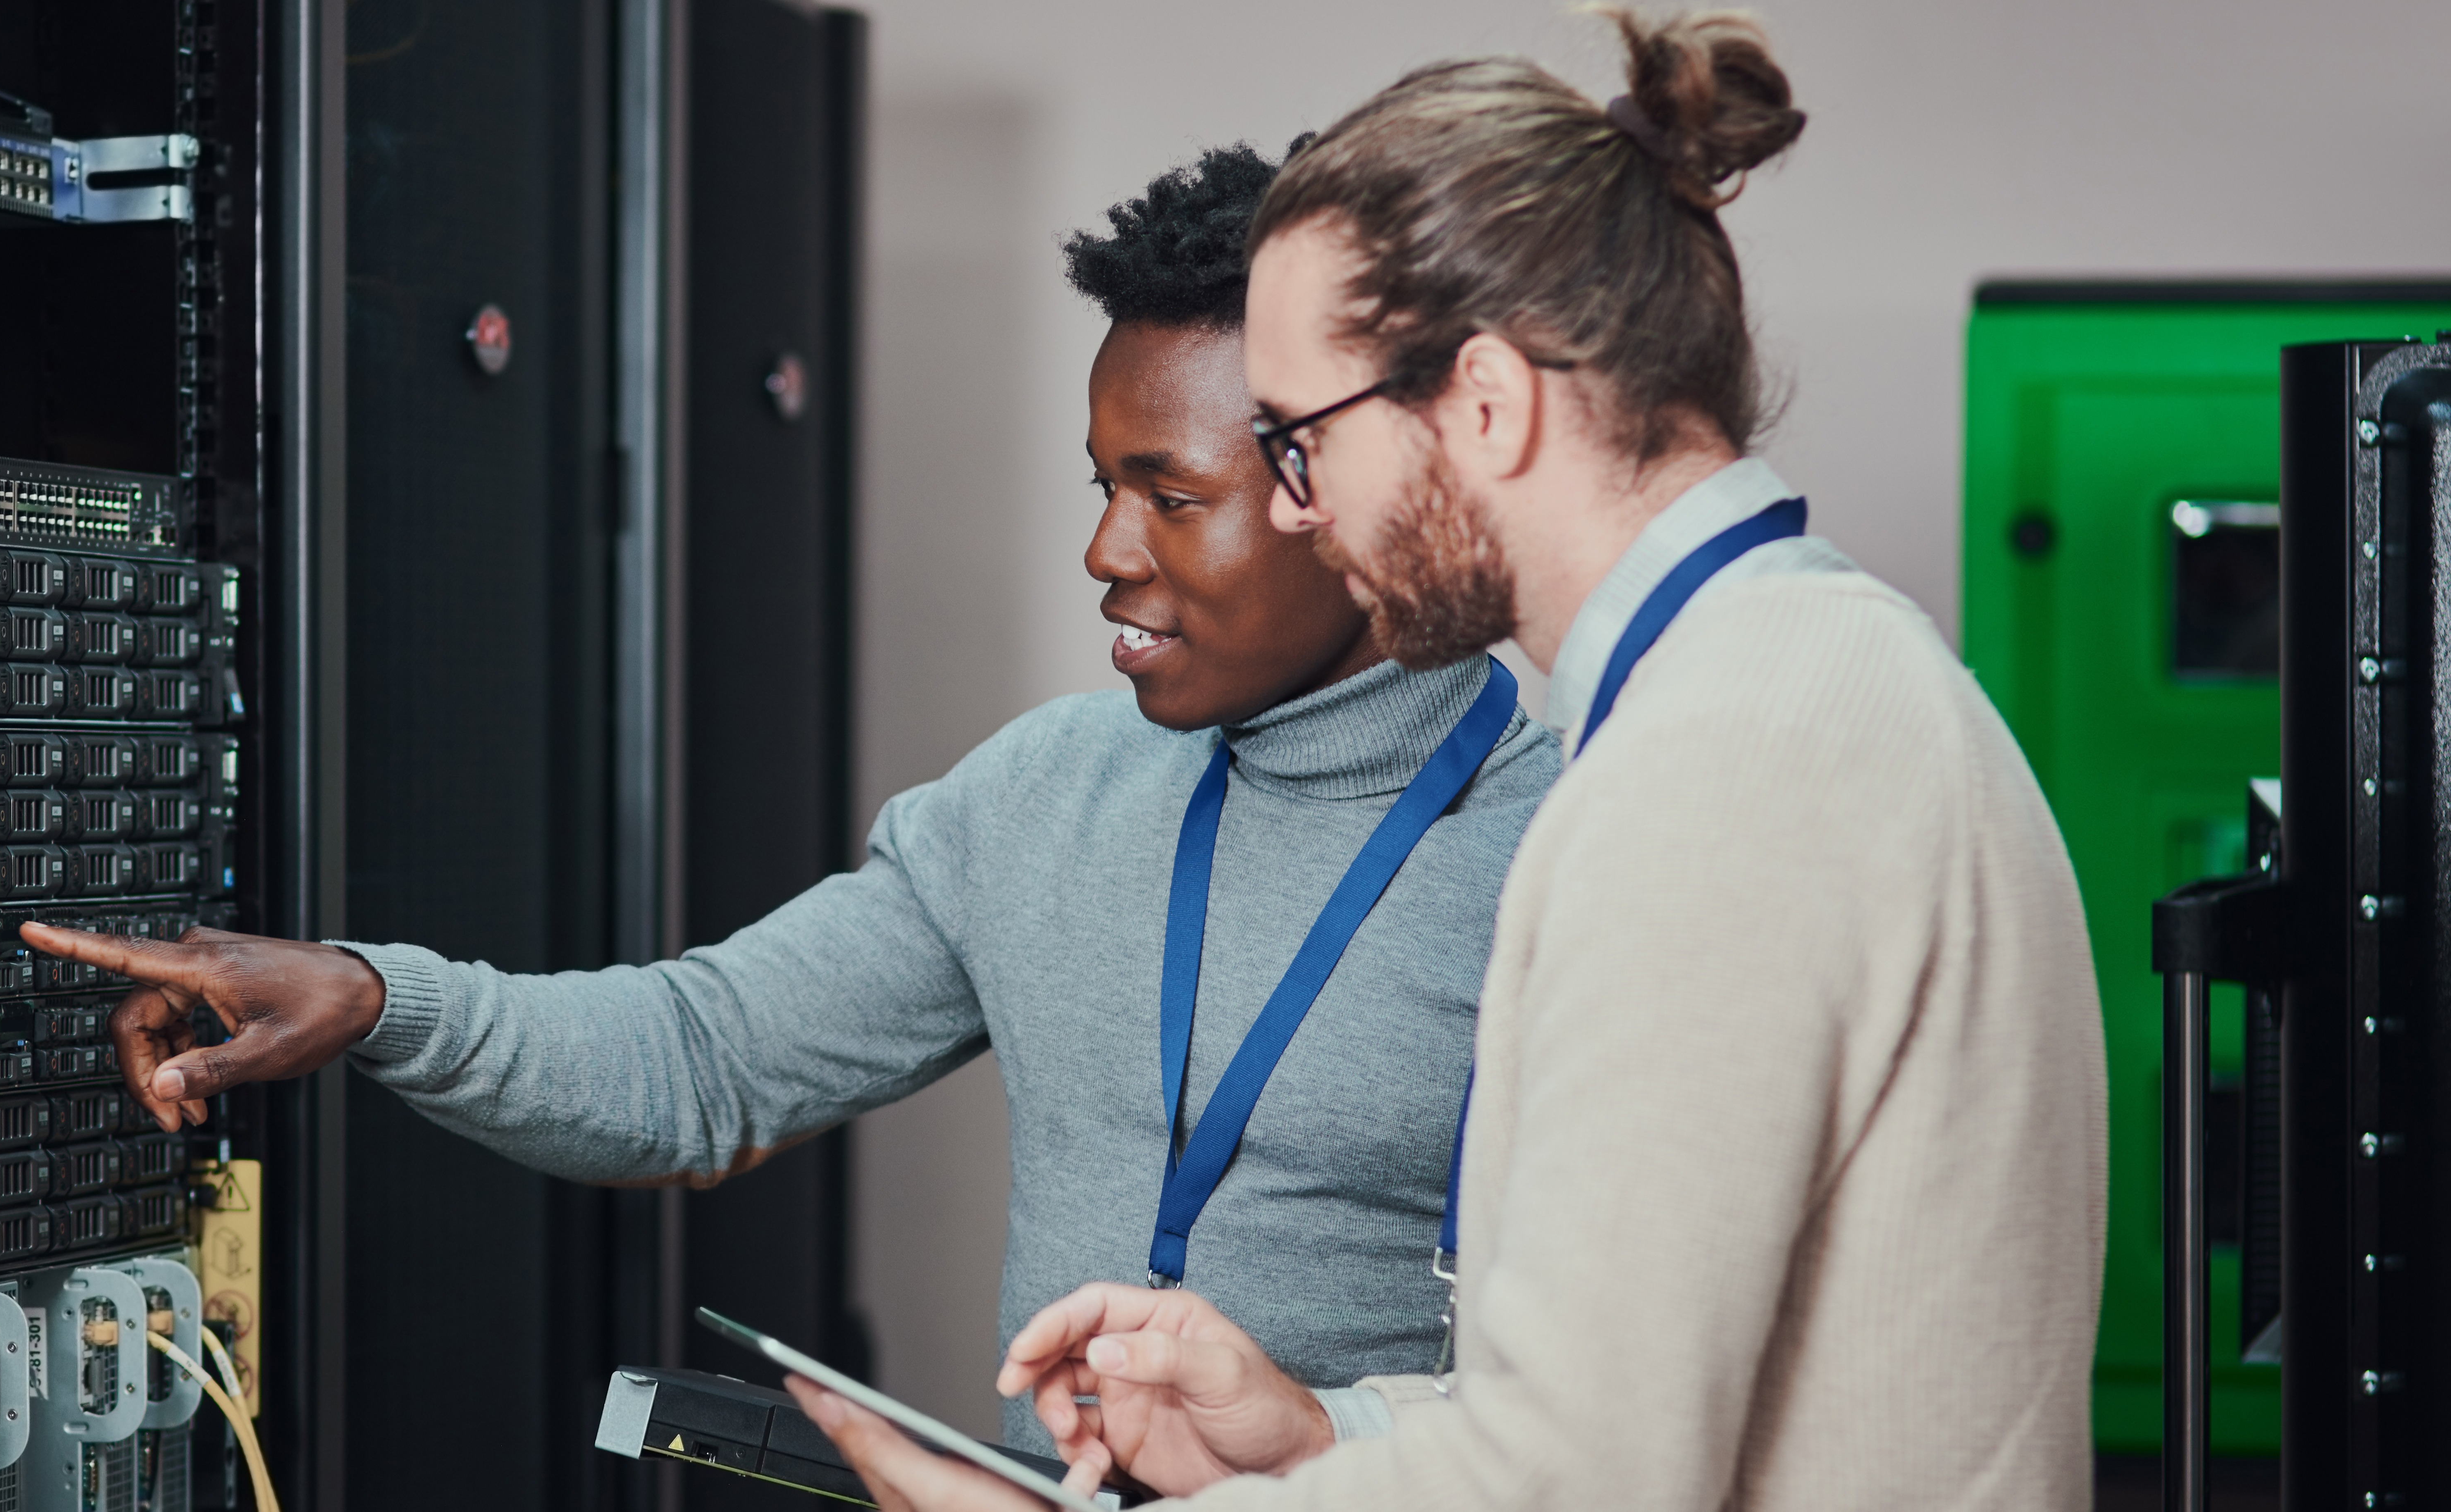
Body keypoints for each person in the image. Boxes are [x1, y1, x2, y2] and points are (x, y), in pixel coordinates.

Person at [22, 145, 1561, 1450]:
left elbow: (1617, 1418)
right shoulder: (1047, 794)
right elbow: (707, 1059)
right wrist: (378, 999)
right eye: (1100, 485)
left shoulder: (1571, 854)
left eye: (1171, 496)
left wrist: (1304, 1450)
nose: (1105, 550)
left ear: (1351, 488)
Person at [789, 9, 2107, 1509]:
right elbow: (1620, 1398)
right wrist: (1315, 1437)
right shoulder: (1811, 679)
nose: (1300, 508)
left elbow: (1582, 1481)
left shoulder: (1727, 766)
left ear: (1485, 403)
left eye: (1300, 439)